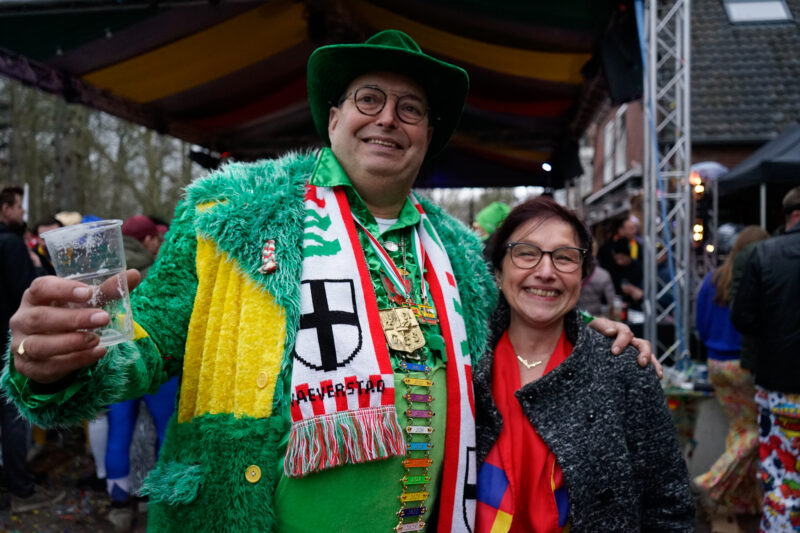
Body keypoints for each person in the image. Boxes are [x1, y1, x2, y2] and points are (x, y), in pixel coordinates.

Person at [3, 31, 653, 532]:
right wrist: (51, 358)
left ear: (429, 135)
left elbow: (504, 341)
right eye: (370, 100)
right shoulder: (232, 210)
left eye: (411, 109)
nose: (389, 119)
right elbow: (144, 342)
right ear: (335, 115)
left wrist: (587, 330)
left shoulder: (454, 252)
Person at [475, 196, 693, 532]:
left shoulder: (623, 368)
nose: (545, 272)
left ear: (582, 276)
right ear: (499, 272)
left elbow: (668, 503)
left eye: (564, 258)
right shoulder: (463, 364)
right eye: (526, 253)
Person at [731, 185, 800, 532]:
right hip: (779, 381)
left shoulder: (764, 254)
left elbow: (742, 318)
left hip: (779, 385)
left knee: (781, 476)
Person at [104, 215, 177, 531]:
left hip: (118, 361)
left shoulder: (107, 269)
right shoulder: (156, 271)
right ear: (147, 240)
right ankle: (161, 504)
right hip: (159, 361)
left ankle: (119, 505)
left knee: (119, 431)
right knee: (166, 430)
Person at [693, 225, 769, 528]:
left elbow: (699, 323)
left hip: (716, 363)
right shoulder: (756, 278)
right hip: (744, 364)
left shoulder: (713, 279)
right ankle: (708, 484)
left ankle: (745, 504)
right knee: (755, 431)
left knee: (739, 430)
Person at [0, 186, 65, 513]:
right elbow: (31, 292)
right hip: (8, 344)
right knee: (13, 415)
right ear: (4, 209)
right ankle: (21, 490)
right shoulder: (11, 244)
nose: (23, 213)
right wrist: (35, 265)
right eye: (18, 208)